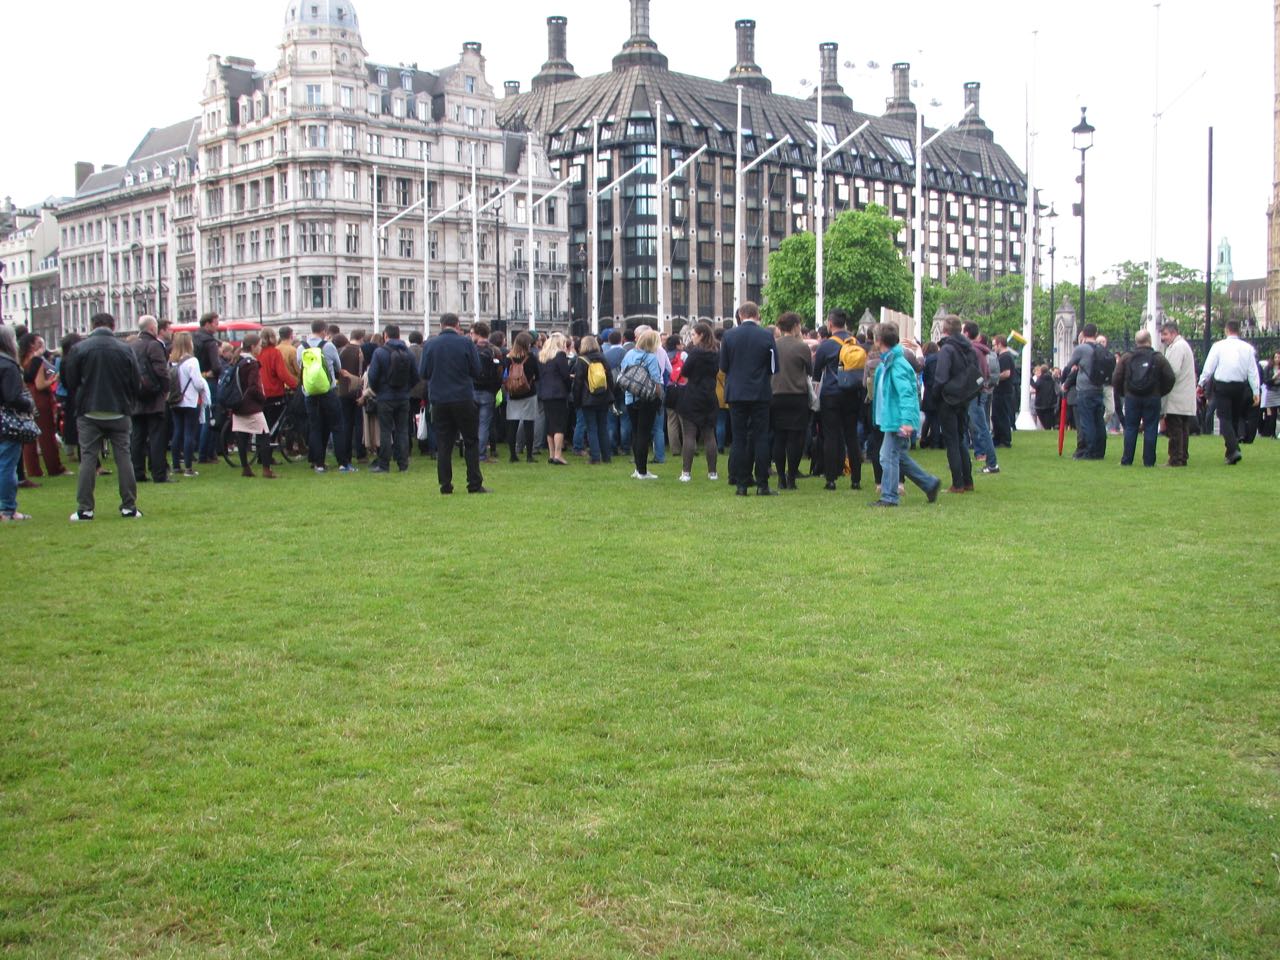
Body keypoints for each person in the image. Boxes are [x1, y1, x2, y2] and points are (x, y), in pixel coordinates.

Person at [60, 313, 142, 521]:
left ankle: (85, 508)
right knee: (123, 456)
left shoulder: (80, 349)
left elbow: (70, 381)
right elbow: (136, 381)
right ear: (113, 326)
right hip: (119, 408)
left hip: (89, 409)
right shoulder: (125, 349)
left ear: (92, 325)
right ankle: (129, 506)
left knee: (88, 457)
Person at [868, 321, 941, 507]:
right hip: (893, 418)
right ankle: (929, 483)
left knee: (887, 456)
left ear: (878, 341)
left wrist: (907, 421)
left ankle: (889, 496)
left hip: (898, 419)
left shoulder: (896, 364)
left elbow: (907, 394)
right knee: (898, 456)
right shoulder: (890, 361)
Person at [421, 313, 487, 494]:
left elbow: (424, 372)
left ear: (441, 325)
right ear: (457, 325)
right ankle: (474, 482)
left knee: (444, 443)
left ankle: (445, 484)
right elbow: (476, 370)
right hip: (462, 397)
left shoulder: (430, 344)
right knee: (471, 440)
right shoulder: (466, 343)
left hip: (440, 399)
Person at [719, 301, 779, 496]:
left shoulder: (729, 336)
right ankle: (762, 483)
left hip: (736, 392)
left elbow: (724, 366)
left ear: (741, 315)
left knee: (739, 438)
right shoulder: (766, 336)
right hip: (760, 392)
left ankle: (741, 484)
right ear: (757, 315)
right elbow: (773, 367)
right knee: (761, 437)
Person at [812, 309, 866, 491]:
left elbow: (817, 374)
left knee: (831, 436)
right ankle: (856, 479)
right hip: (852, 393)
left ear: (830, 323)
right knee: (851, 436)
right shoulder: (856, 343)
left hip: (831, 394)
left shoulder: (826, 346)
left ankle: (831, 478)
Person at [1198, 318, 1261, 465]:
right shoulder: (1247, 348)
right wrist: (1256, 390)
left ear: (1226, 330)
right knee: (1233, 417)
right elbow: (1253, 371)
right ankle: (1231, 452)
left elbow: (1209, 367)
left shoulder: (1219, 346)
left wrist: (1201, 383)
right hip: (1240, 385)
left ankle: (1233, 449)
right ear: (1238, 330)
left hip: (1223, 385)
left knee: (1224, 417)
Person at [932, 315, 979, 493]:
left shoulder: (947, 349)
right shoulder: (970, 349)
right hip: (964, 397)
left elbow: (941, 377)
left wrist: (936, 396)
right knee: (960, 439)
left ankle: (957, 483)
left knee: (952, 441)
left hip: (948, 398)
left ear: (945, 330)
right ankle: (968, 481)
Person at [298, 319, 351, 473]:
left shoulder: (301, 348)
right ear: (323, 331)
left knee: (315, 427)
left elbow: (300, 367)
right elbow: (338, 366)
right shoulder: (328, 346)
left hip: (309, 392)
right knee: (337, 426)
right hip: (328, 391)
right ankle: (342, 462)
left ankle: (319, 464)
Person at [1114, 330, 1171, 468]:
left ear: (1136, 341)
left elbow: (1116, 377)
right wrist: (1160, 392)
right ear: (1150, 340)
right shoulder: (1158, 358)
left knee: (1131, 428)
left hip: (1132, 397)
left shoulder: (1127, 357)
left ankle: (1127, 459)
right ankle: (1149, 461)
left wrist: (1124, 392)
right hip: (1152, 396)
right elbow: (1170, 377)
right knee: (1151, 428)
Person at [769, 312, 813, 490]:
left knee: (779, 437)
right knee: (796, 438)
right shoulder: (802, 347)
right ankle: (792, 477)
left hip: (776, 395)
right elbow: (809, 370)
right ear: (796, 326)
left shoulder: (773, 345)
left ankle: (780, 476)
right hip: (797, 395)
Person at [366, 323, 418, 473]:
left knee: (385, 431)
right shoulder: (408, 353)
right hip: (403, 397)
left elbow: (373, 376)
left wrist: (378, 390)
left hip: (385, 396)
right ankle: (403, 464)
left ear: (385, 335)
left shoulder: (380, 352)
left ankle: (384, 464)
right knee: (402, 430)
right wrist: (406, 389)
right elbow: (415, 376)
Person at [129, 316, 175, 484]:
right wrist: (166, 390)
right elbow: (162, 371)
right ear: (152, 328)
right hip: (154, 397)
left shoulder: (132, 345)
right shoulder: (154, 345)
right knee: (157, 437)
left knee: (137, 436)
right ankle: (159, 473)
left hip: (137, 396)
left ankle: (137, 472)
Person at [18, 333, 68, 479]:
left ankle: (33, 470)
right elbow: (40, 384)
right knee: (47, 435)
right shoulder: (38, 361)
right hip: (40, 399)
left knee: (29, 437)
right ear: (33, 344)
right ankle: (54, 467)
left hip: (26, 397)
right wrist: (54, 379)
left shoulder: (22, 360)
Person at [675, 322, 720, 482]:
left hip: (693, 394)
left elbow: (685, 371)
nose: (692, 338)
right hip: (709, 395)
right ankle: (712, 472)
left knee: (689, 434)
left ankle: (686, 473)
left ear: (701, 335)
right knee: (709, 434)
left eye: (693, 334)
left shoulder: (695, 353)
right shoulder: (716, 352)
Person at [228, 334, 276, 478]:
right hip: (251, 405)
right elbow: (253, 386)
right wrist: (262, 398)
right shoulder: (252, 363)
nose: (261, 348)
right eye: (260, 345)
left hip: (237, 403)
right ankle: (267, 469)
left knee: (242, 437)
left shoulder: (238, 361)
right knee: (264, 435)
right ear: (253, 346)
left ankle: (245, 467)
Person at [619, 328, 664, 479]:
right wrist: (659, 396)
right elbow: (656, 380)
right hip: (646, 399)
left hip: (630, 398)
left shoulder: (629, 354)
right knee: (644, 434)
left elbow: (623, 373)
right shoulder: (651, 357)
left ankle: (638, 469)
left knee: (636, 433)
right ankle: (643, 471)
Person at [0, 326, 34, 521]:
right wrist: (28, 403)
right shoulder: (8, 365)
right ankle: (7, 509)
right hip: (7, 421)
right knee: (7, 464)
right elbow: (12, 397)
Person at [1063, 323, 1107, 460]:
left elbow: (1069, 366)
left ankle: (1089, 451)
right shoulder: (1101, 348)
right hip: (1099, 388)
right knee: (1099, 421)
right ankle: (1100, 450)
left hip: (1085, 389)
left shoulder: (1081, 349)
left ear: (1084, 333)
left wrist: (1064, 380)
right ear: (1096, 333)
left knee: (1086, 421)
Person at [168, 332, 209, 477]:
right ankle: (188, 467)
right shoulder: (192, 361)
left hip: (175, 399)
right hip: (190, 400)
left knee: (177, 432)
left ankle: (175, 465)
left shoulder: (172, 360)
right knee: (189, 434)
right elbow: (198, 383)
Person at [571, 335, 615, 465]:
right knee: (603, 427)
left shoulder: (581, 360)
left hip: (588, 399)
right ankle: (607, 456)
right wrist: (609, 394)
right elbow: (610, 378)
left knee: (591, 428)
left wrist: (577, 401)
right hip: (603, 397)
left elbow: (578, 383)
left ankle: (595, 457)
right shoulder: (603, 358)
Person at [964, 324, 1000, 474]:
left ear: (966, 333)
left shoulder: (973, 351)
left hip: (975, 393)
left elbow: (976, 373)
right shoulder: (980, 351)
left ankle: (992, 463)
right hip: (979, 392)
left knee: (981, 428)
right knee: (980, 426)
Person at [536, 332, 572, 466]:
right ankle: (558, 454)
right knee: (559, 425)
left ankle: (551, 454)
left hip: (545, 393)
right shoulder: (560, 356)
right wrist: (568, 388)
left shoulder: (542, 357)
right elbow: (565, 375)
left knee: (550, 425)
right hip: (558, 393)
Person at [503, 332, 540, 462]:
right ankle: (529, 455)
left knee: (512, 424)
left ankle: (513, 455)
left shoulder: (508, 358)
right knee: (529, 424)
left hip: (513, 394)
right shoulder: (531, 358)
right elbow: (538, 375)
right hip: (529, 393)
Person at [193, 312, 224, 463]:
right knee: (211, 417)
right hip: (209, 380)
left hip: (196, 379)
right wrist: (215, 371)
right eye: (216, 323)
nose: (217, 327)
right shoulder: (210, 342)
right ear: (208, 324)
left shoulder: (195, 338)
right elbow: (217, 366)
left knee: (201, 416)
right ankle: (206, 453)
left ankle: (201, 450)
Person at [470, 322, 501, 461]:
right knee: (484, 425)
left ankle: (471, 453)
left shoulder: (471, 349)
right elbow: (499, 373)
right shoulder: (494, 351)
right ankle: (481, 454)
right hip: (488, 391)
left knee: (473, 424)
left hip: (472, 390)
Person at [337, 329, 368, 463]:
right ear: (361, 338)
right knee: (359, 423)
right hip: (358, 390)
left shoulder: (341, 351)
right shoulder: (362, 352)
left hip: (343, 390)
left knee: (346, 424)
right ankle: (361, 454)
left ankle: (346, 455)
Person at [991, 334, 1016, 447]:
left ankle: (1005, 440)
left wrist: (994, 377)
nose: (993, 348)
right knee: (997, 415)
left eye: (994, 345)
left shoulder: (1005, 357)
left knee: (1002, 415)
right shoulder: (1004, 356)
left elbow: (1006, 373)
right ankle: (998, 437)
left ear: (1000, 344)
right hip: (1001, 391)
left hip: (1003, 391)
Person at [1261, 351, 1280, 439]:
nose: (1277, 359)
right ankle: (1272, 434)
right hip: (1272, 391)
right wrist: (1274, 377)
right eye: (1276, 357)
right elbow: (1266, 381)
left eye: (1279, 357)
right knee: (1273, 414)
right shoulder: (1268, 368)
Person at [1033, 364, 1058, 430]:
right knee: (1049, 418)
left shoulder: (1040, 380)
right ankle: (1049, 427)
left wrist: (1030, 380)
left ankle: (1047, 428)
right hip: (1050, 403)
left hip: (1040, 402)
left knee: (1043, 419)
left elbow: (1036, 386)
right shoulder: (1052, 379)